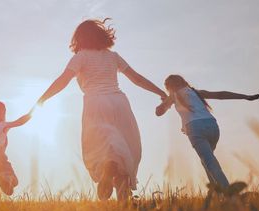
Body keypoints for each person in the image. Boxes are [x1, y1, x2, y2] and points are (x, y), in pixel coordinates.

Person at [35, 18, 167, 201]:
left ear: (79, 38)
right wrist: (161, 92)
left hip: (95, 102)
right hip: (119, 103)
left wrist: (42, 99)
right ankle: (123, 195)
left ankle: (108, 168)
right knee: (124, 147)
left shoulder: (80, 56)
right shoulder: (113, 56)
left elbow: (63, 80)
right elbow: (136, 78)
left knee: (100, 147)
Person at [156, 74, 259, 189]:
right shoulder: (196, 92)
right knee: (207, 161)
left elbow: (158, 112)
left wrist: (164, 102)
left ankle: (229, 194)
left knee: (210, 163)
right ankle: (214, 192)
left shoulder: (173, 96)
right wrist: (246, 96)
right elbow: (221, 95)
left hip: (195, 129)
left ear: (169, 87)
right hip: (212, 126)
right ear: (183, 81)